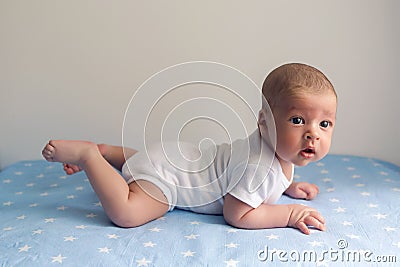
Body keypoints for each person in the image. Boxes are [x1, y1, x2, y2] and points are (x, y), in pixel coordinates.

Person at [42, 63, 336, 235]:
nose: (313, 134)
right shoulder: (258, 166)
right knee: (127, 214)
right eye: (297, 120)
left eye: (325, 124)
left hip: (172, 157)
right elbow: (238, 214)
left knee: (147, 164)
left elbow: (263, 179)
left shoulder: (276, 153)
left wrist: (288, 186)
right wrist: (288, 214)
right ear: (264, 122)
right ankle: (91, 156)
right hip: (169, 182)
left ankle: (109, 152)